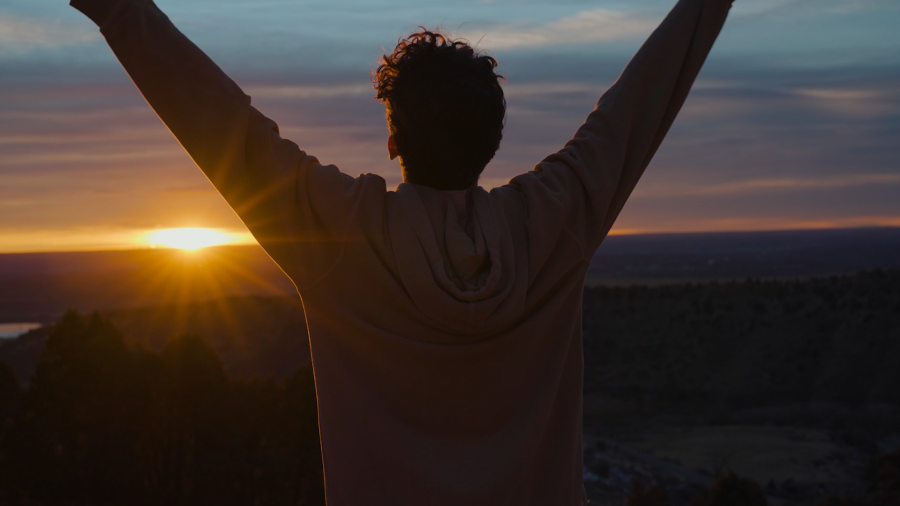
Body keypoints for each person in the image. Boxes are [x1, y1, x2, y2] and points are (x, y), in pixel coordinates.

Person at [69, 0, 734, 503]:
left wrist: (120, 12)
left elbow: (223, 126)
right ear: (494, 138)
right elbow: (635, 108)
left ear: (394, 141)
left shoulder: (340, 236)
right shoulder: (552, 225)